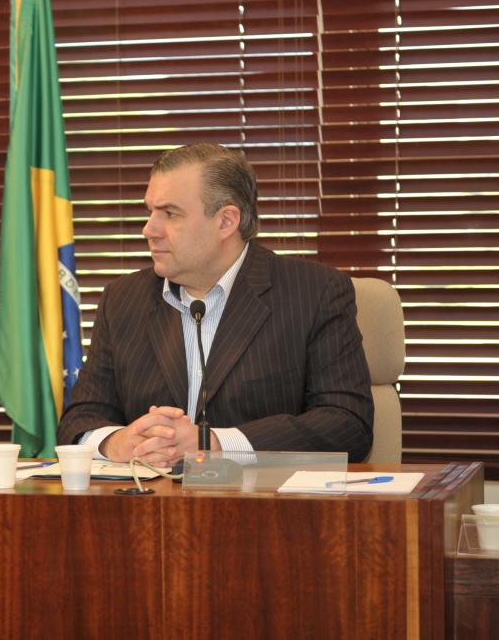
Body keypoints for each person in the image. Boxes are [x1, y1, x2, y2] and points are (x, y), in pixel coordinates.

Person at [57, 143, 373, 464]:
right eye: (150, 211)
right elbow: (79, 419)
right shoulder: (123, 299)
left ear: (226, 221)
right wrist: (115, 442)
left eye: (170, 214)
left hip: (260, 493)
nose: (149, 229)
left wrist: (215, 443)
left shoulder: (313, 293)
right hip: (150, 493)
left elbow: (347, 424)